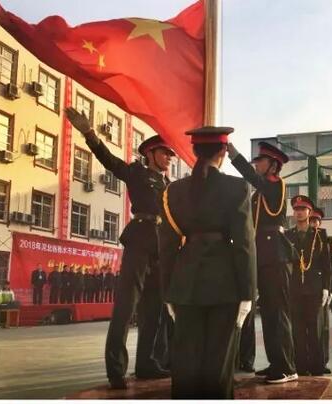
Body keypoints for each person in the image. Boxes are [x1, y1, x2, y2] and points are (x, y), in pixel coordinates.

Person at [65, 107, 172, 389]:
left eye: (170, 154)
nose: (169, 158)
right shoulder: (137, 172)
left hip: (161, 248)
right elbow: (110, 161)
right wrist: (89, 133)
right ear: (150, 154)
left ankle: (146, 364)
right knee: (126, 307)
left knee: (154, 310)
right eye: (164, 153)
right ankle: (116, 369)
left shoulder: (169, 184)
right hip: (140, 241)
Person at [159, 126, 256, 398]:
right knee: (218, 363)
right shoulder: (237, 187)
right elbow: (245, 244)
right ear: (223, 152)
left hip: (185, 282)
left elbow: (166, 246)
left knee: (185, 363)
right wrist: (248, 293)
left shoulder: (173, 191)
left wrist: (168, 291)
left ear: (194, 151)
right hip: (225, 283)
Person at [227, 141, 297, 383]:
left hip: (275, 254)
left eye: (260, 161)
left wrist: (233, 155)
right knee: (268, 314)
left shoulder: (275, 185)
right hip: (264, 254)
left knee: (277, 314)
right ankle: (277, 362)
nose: (256, 165)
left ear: (273, 166)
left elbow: (252, 178)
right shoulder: (261, 191)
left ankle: (287, 367)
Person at [285, 195, 331, 376]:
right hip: (295, 288)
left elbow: (326, 264)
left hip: (314, 288)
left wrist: (327, 287)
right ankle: (301, 366)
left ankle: (317, 366)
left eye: (302, 209)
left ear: (309, 212)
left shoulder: (320, 235)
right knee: (297, 330)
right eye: (296, 209)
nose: (299, 212)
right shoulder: (288, 235)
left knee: (315, 329)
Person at [309, 208, 332, 374]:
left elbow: (330, 266)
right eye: (311, 221)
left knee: (323, 328)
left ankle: (322, 361)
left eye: (316, 221)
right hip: (306, 289)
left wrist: (331, 289)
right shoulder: (303, 237)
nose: (313, 223)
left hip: (321, 290)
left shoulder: (325, 239)